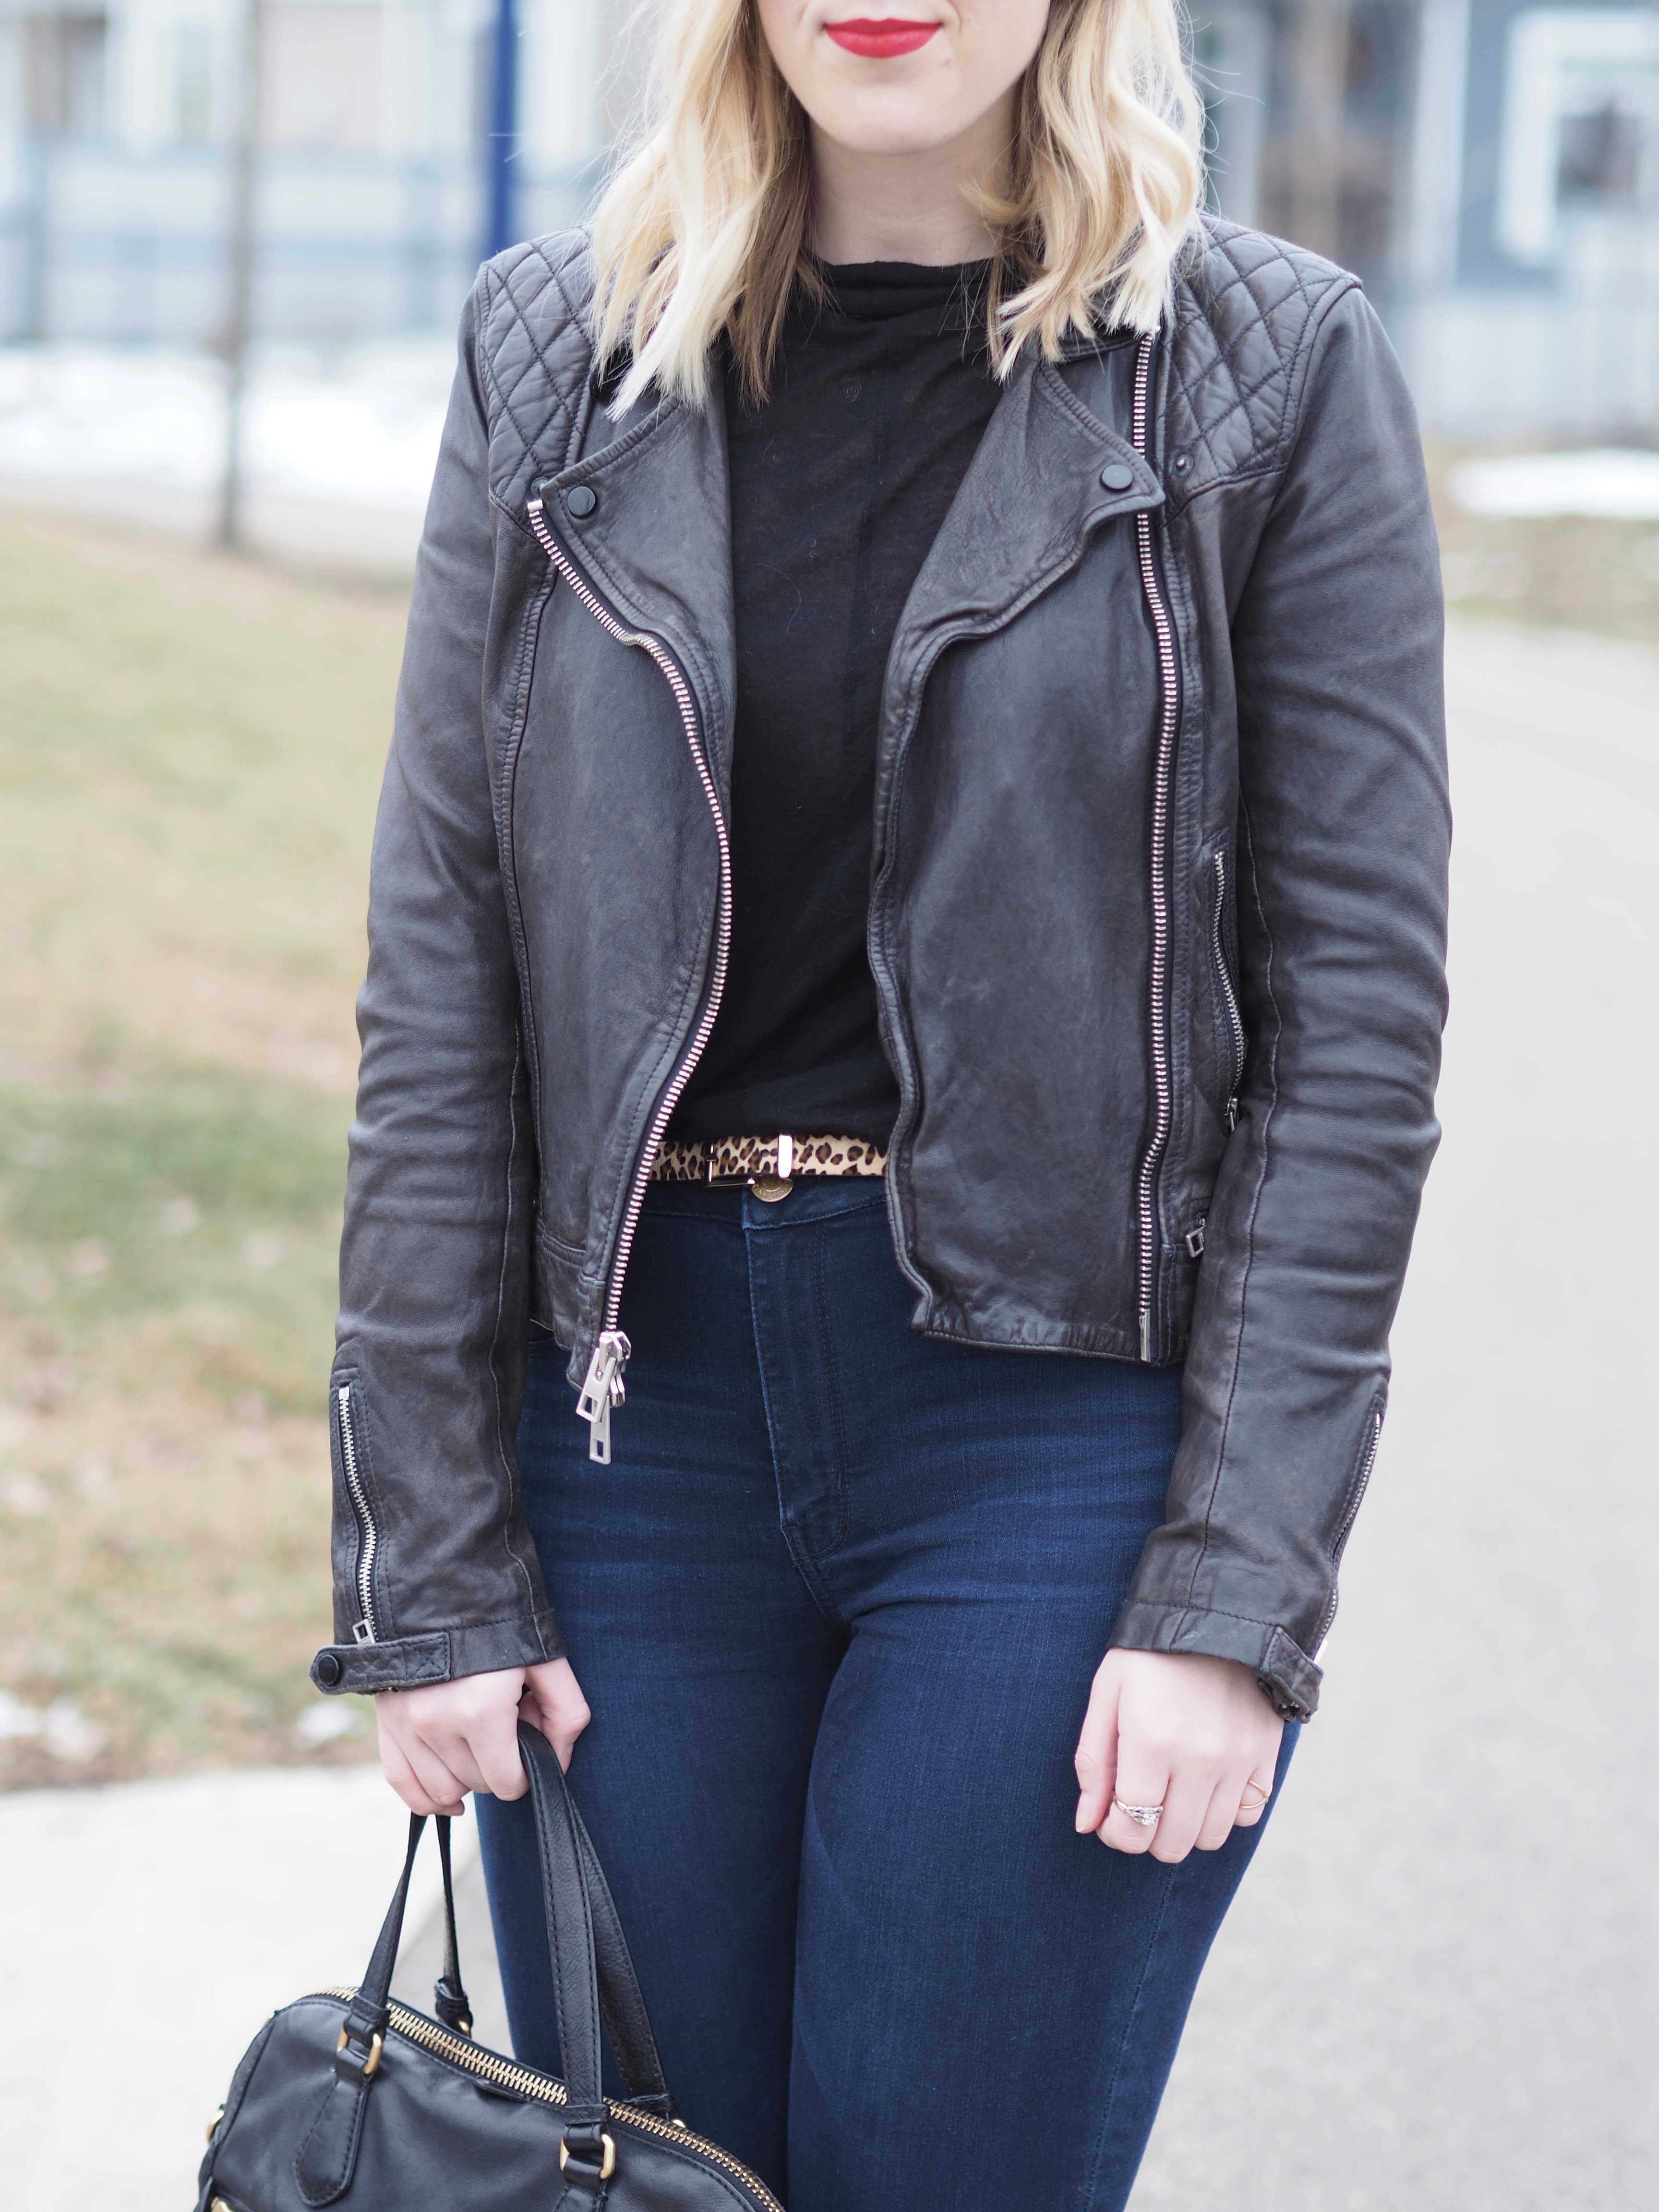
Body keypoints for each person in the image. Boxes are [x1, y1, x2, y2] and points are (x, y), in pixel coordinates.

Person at [308, 2, 1449, 2205]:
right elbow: (443, 985)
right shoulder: (557, 361)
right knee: (651, 2182)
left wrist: (1235, 1593)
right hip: (634, 1452)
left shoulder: (1260, 372)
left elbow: (1354, 1031)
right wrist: (429, 1560)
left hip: (1048, 1445)